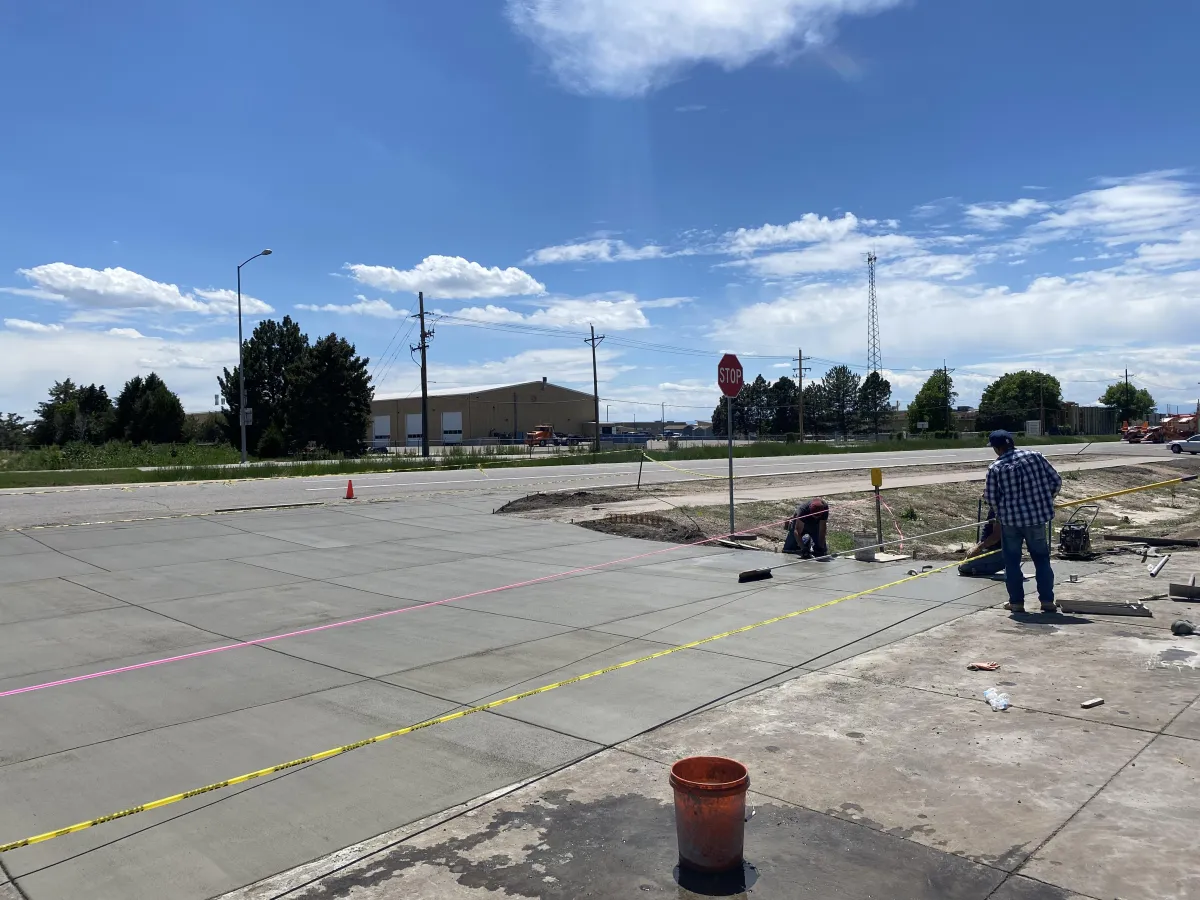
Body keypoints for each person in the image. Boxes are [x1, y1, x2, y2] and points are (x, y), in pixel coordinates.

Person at [983, 430, 1062, 614]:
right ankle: (1047, 602)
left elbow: (991, 498)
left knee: (1011, 562)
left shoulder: (995, 467)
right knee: (1042, 560)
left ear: (996, 448)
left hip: (1010, 521)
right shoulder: (1036, 457)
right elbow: (1056, 481)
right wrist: (1044, 499)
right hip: (1037, 519)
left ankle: (1017, 603)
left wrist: (1001, 512)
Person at [958, 505, 1004, 577]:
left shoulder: (999, 509)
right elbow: (986, 536)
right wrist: (975, 548)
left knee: (964, 567)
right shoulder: (993, 509)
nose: (983, 496)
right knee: (965, 561)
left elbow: (996, 536)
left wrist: (978, 548)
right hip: (990, 549)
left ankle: (1007, 566)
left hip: (999, 552)